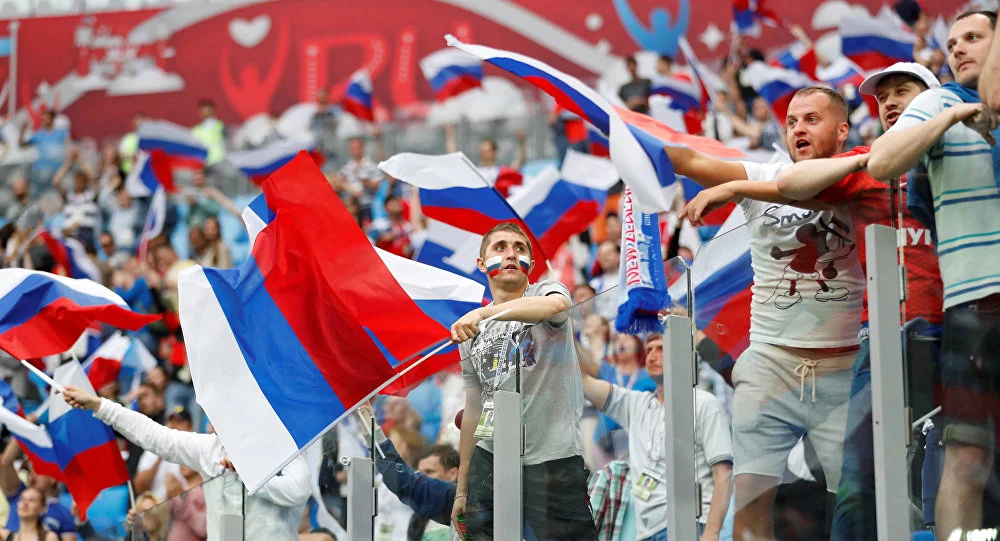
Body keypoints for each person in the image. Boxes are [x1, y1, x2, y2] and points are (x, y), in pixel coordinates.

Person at [689, 61, 943, 540]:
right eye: (791, 121)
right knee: (834, 486)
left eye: (902, 92)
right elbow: (786, 183)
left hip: (921, 336)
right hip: (839, 350)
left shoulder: (948, 161)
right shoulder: (861, 170)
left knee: (931, 471)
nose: (889, 102)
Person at [659, 86, 866, 541]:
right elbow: (691, 162)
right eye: (791, 122)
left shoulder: (863, 176)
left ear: (842, 129)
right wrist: (621, 130)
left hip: (844, 371)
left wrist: (733, 187)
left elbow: (811, 190)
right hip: (769, 364)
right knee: (750, 496)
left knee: (856, 503)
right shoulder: (762, 174)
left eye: (812, 119)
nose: (798, 129)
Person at [867, 10, 1000, 538]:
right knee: (966, 457)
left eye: (974, 37)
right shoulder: (936, 101)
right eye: (951, 41)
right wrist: (948, 119)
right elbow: (882, 163)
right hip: (973, 305)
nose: (959, 48)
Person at [449, 222, 595, 540]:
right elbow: (473, 408)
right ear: (481, 263)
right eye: (499, 247)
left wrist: (486, 314)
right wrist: (462, 488)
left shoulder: (545, 291)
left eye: (520, 248)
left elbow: (558, 308)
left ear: (529, 262)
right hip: (491, 457)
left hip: (553, 457)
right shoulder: (471, 332)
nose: (511, 254)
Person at [61, 385, 312, 540]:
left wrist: (248, 472)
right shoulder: (210, 448)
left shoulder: (284, 446)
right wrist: (99, 405)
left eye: (217, 413)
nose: (209, 423)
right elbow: (154, 435)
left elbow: (298, 492)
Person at [579, 333, 734, 541]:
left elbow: (724, 474)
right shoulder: (636, 404)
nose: (651, 356)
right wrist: (562, 331)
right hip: (646, 533)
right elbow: (583, 382)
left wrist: (712, 533)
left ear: (681, 355)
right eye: (649, 349)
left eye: (660, 349)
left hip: (690, 525)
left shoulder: (704, 403)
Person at [0, 441, 75, 540]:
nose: (32, 474)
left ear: (52, 479)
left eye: (38, 471)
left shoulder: (64, 513)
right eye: (31, 471)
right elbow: (5, 463)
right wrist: (22, 430)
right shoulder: (18, 493)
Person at [134, 406, 193, 501]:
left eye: (179, 422)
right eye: (170, 421)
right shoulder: (152, 450)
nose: (173, 426)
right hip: (157, 509)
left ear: (190, 427)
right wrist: (160, 455)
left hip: (186, 505)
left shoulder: (195, 450)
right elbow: (139, 488)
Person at [339, 135, 385, 224]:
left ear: (362, 148)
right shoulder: (346, 168)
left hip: (368, 205)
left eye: (356, 148)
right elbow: (339, 183)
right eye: (352, 148)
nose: (354, 151)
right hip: (352, 206)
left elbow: (379, 185)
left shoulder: (371, 165)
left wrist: (365, 182)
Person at [20, 110, 70, 188]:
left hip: (57, 172)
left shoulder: (62, 133)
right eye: (43, 119)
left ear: (52, 119)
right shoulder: (39, 134)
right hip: (40, 172)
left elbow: (69, 148)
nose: (44, 121)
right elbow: (22, 145)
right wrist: (22, 131)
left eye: (46, 119)